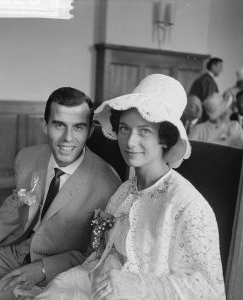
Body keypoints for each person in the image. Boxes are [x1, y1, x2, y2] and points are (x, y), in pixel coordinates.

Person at [25, 74, 225, 299]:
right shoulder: (123, 192)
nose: (130, 142)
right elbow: (99, 257)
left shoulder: (186, 204)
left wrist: (137, 285)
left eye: (144, 131)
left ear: (165, 139)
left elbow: (209, 292)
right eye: (124, 129)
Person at [0, 87, 121, 300]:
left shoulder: (107, 183)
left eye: (78, 127)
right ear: (45, 125)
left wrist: (43, 269)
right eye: (59, 125)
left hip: (57, 266)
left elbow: (99, 253)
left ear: (89, 131)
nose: (68, 138)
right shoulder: (27, 158)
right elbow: (12, 209)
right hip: (15, 249)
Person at [189, 57, 223, 121]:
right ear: (213, 66)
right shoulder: (207, 80)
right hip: (203, 117)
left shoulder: (205, 79)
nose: (221, 69)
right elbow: (208, 102)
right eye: (220, 66)